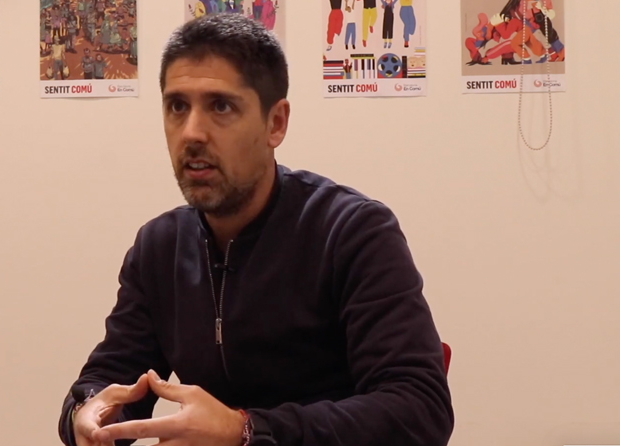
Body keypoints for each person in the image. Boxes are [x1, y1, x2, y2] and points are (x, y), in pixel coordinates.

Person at [57, 13, 453, 446]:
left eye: (221, 106)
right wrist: (86, 412)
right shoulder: (159, 247)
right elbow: (109, 377)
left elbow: (419, 409)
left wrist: (245, 430)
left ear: (275, 123)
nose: (192, 133)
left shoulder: (352, 232)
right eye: (177, 107)